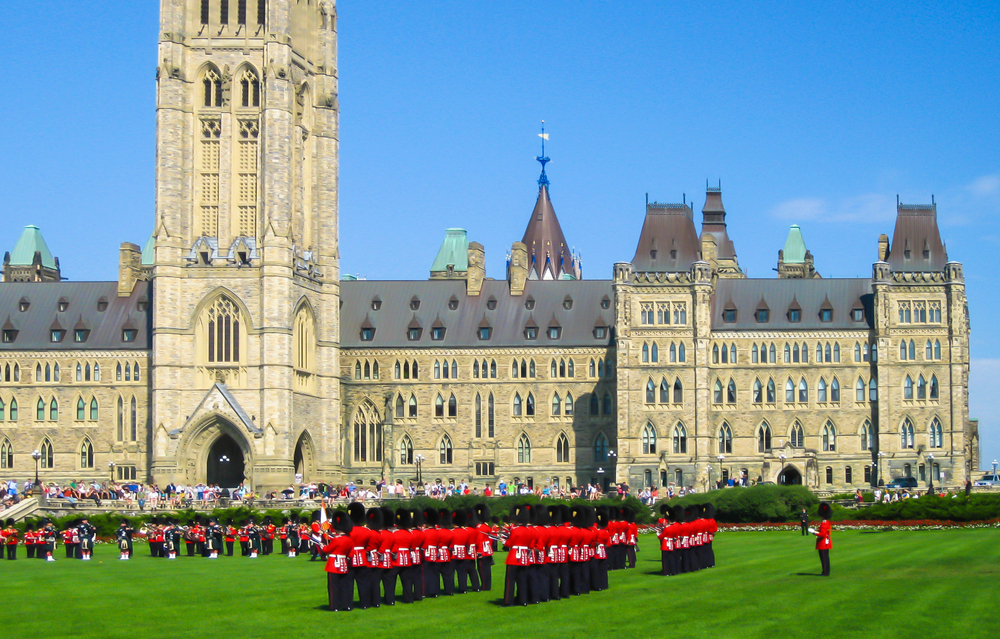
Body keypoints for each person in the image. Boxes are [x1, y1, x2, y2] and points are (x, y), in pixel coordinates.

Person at [810, 502, 832, 576]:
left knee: (824, 559)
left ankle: (825, 572)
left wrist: (814, 532)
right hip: (826, 542)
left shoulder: (824, 523)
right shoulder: (827, 522)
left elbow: (822, 534)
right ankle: (826, 571)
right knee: (825, 558)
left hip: (822, 543)